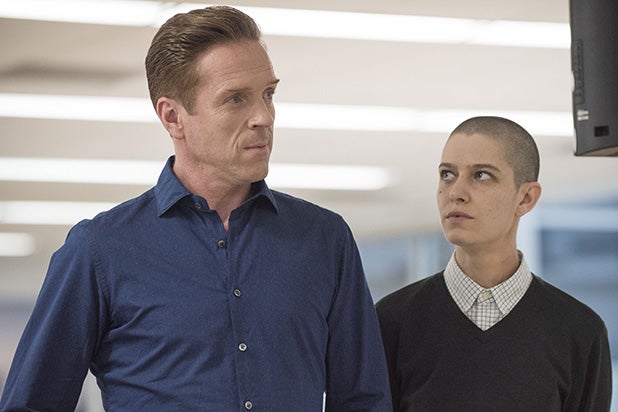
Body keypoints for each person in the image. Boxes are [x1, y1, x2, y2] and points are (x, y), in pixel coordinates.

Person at [0, 6, 391, 411]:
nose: (263, 116)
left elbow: (364, 399)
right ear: (173, 117)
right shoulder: (100, 250)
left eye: (268, 94)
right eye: (235, 99)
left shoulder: (325, 239)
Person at [376, 116, 612, 411]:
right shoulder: (392, 321)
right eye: (447, 174)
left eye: (481, 176)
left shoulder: (580, 331)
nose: (455, 193)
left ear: (526, 198)